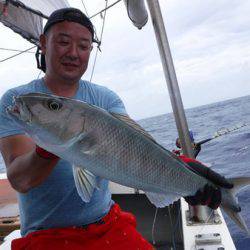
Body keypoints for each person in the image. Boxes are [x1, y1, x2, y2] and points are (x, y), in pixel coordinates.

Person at [0, 8, 232, 250]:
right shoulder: (18, 100)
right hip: (46, 236)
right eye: (63, 42)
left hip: (108, 224)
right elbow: (21, 180)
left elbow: (137, 143)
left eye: (83, 46)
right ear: (43, 43)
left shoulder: (104, 97)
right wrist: (51, 147)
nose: (73, 53)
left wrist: (186, 168)